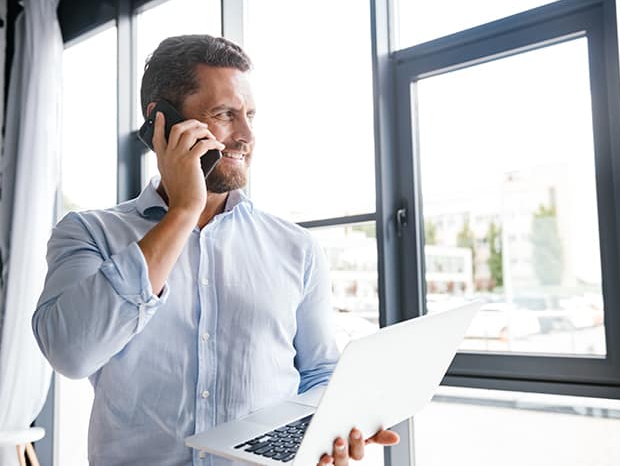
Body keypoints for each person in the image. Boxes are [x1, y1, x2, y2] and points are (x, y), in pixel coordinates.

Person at [32, 35, 398, 466]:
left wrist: (332, 429)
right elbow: (71, 353)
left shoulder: (296, 247)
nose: (246, 135)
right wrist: (184, 211)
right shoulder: (88, 233)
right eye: (225, 114)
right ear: (161, 122)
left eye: (250, 115)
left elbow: (319, 372)